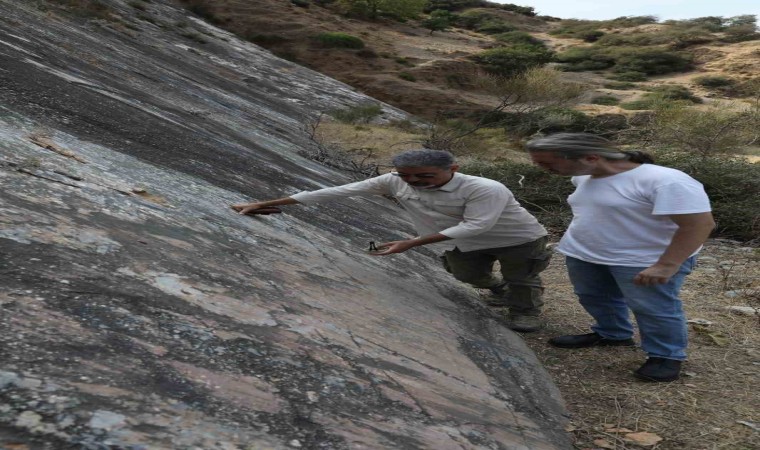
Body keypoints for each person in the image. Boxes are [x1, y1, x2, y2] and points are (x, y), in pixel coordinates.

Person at [233, 149, 551, 332]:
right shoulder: (393, 180)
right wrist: (264, 202)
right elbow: (338, 192)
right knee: (466, 274)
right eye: (405, 175)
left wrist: (411, 243)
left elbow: (477, 225)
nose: (413, 182)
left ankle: (525, 311)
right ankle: (499, 288)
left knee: (522, 276)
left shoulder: (485, 188)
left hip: (516, 238)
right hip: (462, 243)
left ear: (453, 169)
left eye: (424, 176)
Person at [526, 133, 715, 382]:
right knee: (594, 297)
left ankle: (666, 355)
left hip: (643, 259)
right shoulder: (583, 175)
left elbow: (699, 225)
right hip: (586, 253)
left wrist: (667, 265)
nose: (542, 168)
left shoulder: (666, 180)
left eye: (547, 163)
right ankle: (613, 334)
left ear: (591, 157)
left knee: (653, 308)